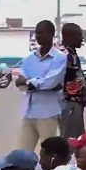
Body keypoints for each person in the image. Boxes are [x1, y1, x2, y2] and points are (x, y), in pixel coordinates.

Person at [14, 20, 67, 151]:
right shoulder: (28, 59)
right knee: (22, 153)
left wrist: (29, 82)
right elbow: (20, 84)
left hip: (48, 114)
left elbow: (50, 82)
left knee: (49, 153)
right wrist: (37, 83)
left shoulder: (59, 58)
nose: (37, 36)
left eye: (41, 33)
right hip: (29, 112)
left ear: (51, 34)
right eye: (36, 33)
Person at [60, 23, 86, 139]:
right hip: (69, 103)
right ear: (69, 37)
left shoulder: (72, 53)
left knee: (79, 139)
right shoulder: (64, 55)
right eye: (79, 35)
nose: (82, 38)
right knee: (70, 140)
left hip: (76, 103)